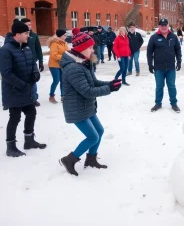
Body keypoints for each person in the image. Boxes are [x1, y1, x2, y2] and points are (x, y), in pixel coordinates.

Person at [59, 32, 122, 176]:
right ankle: (70, 160)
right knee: (93, 136)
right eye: (90, 47)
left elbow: (93, 82)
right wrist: (109, 89)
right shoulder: (73, 68)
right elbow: (87, 91)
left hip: (86, 106)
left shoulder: (83, 63)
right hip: (76, 108)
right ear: (81, 49)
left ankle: (91, 159)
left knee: (99, 131)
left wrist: (110, 84)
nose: (93, 50)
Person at [0, 20, 46, 157]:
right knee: (15, 118)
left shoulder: (25, 48)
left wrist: (36, 73)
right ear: (17, 34)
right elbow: (6, 74)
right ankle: (11, 146)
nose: (28, 35)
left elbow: (32, 63)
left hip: (27, 90)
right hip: (14, 91)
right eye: (26, 33)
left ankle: (29, 140)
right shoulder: (5, 50)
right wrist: (23, 85)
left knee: (31, 113)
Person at [147, 18, 182, 113]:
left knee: (171, 86)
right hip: (159, 67)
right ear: (159, 27)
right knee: (159, 86)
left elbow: (178, 50)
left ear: (168, 26)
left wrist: (179, 61)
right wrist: (150, 64)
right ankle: (158, 103)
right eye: (162, 25)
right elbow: (149, 52)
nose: (164, 27)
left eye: (165, 25)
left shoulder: (173, 37)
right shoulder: (154, 37)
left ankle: (174, 103)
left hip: (170, 67)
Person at [21, 18, 43, 107]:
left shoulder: (34, 35)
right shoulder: (19, 35)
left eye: (30, 25)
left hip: (32, 61)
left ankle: (34, 98)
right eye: (27, 25)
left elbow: (38, 48)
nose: (29, 26)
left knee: (34, 80)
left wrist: (41, 61)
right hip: (22, 61)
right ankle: (23, 99)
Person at [48, 29, 69, 103]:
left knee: (63, 80)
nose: (66, 36)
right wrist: (64, 57)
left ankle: (63, 96)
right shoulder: (54, 43)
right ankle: (51, 96)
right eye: (64, 35)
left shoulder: (64, 43)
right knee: (56, 80)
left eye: (66, 35)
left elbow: (67, 51)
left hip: (62, 64)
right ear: (60, 36)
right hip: (54, 65)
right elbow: (53, 55)